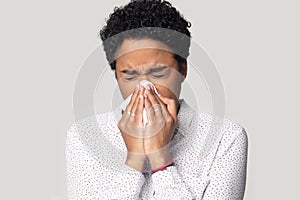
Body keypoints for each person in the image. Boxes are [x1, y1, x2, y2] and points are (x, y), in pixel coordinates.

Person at [66, 0, 248, 199]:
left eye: (159, 73)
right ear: (117, 76)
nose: (144, 87)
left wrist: (161, 160)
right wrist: (134, 160)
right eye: (129, 76)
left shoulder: (225, 138)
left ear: (183, 70)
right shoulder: (84, 137)